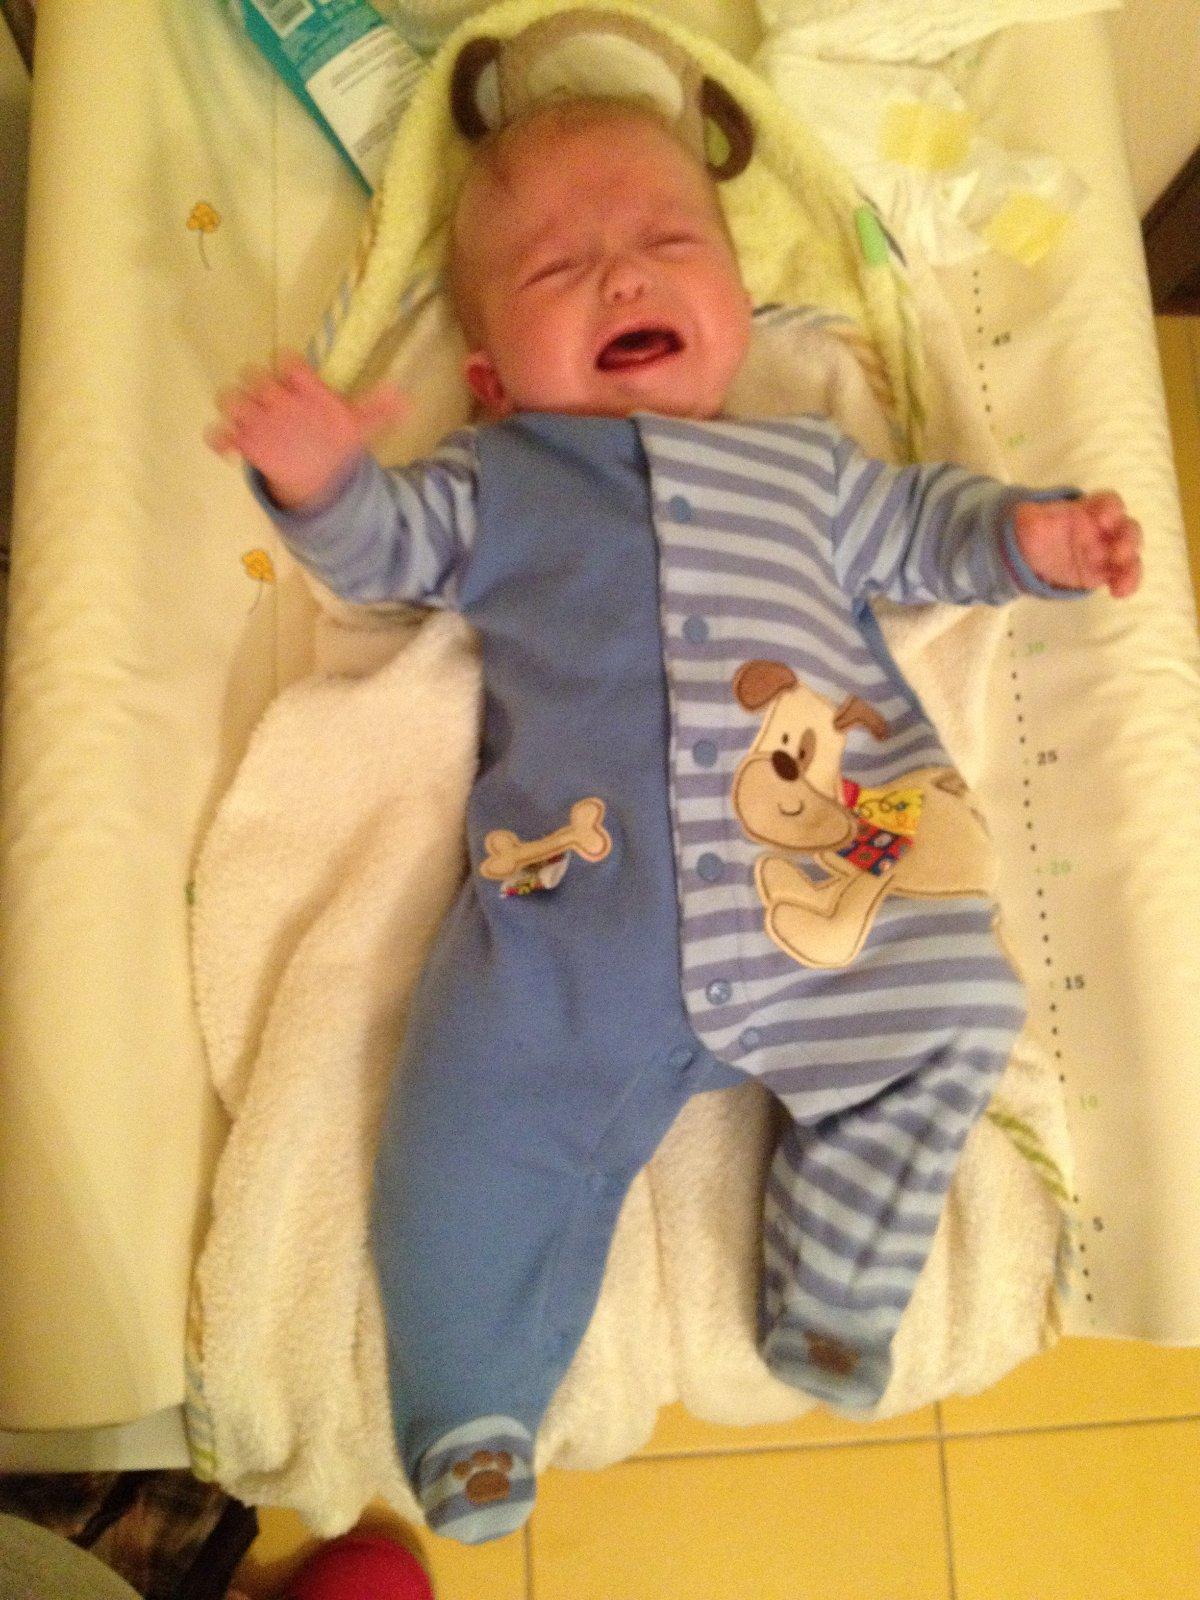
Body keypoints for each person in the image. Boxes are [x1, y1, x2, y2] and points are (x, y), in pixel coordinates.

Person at [208, 97, 1143, 1544]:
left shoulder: (807, 473)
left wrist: (1030, 539)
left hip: (825, 892)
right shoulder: (503, 482)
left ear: (740, 304)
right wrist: (320, 476)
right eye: (556, 266)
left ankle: (836, 1281)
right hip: (573, 934)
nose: (622, 274)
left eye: (666, 240)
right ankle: (470, 1399)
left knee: (959, 1002)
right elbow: (383, 550)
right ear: (489, 379)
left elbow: (925, 530)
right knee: (459, 1128)